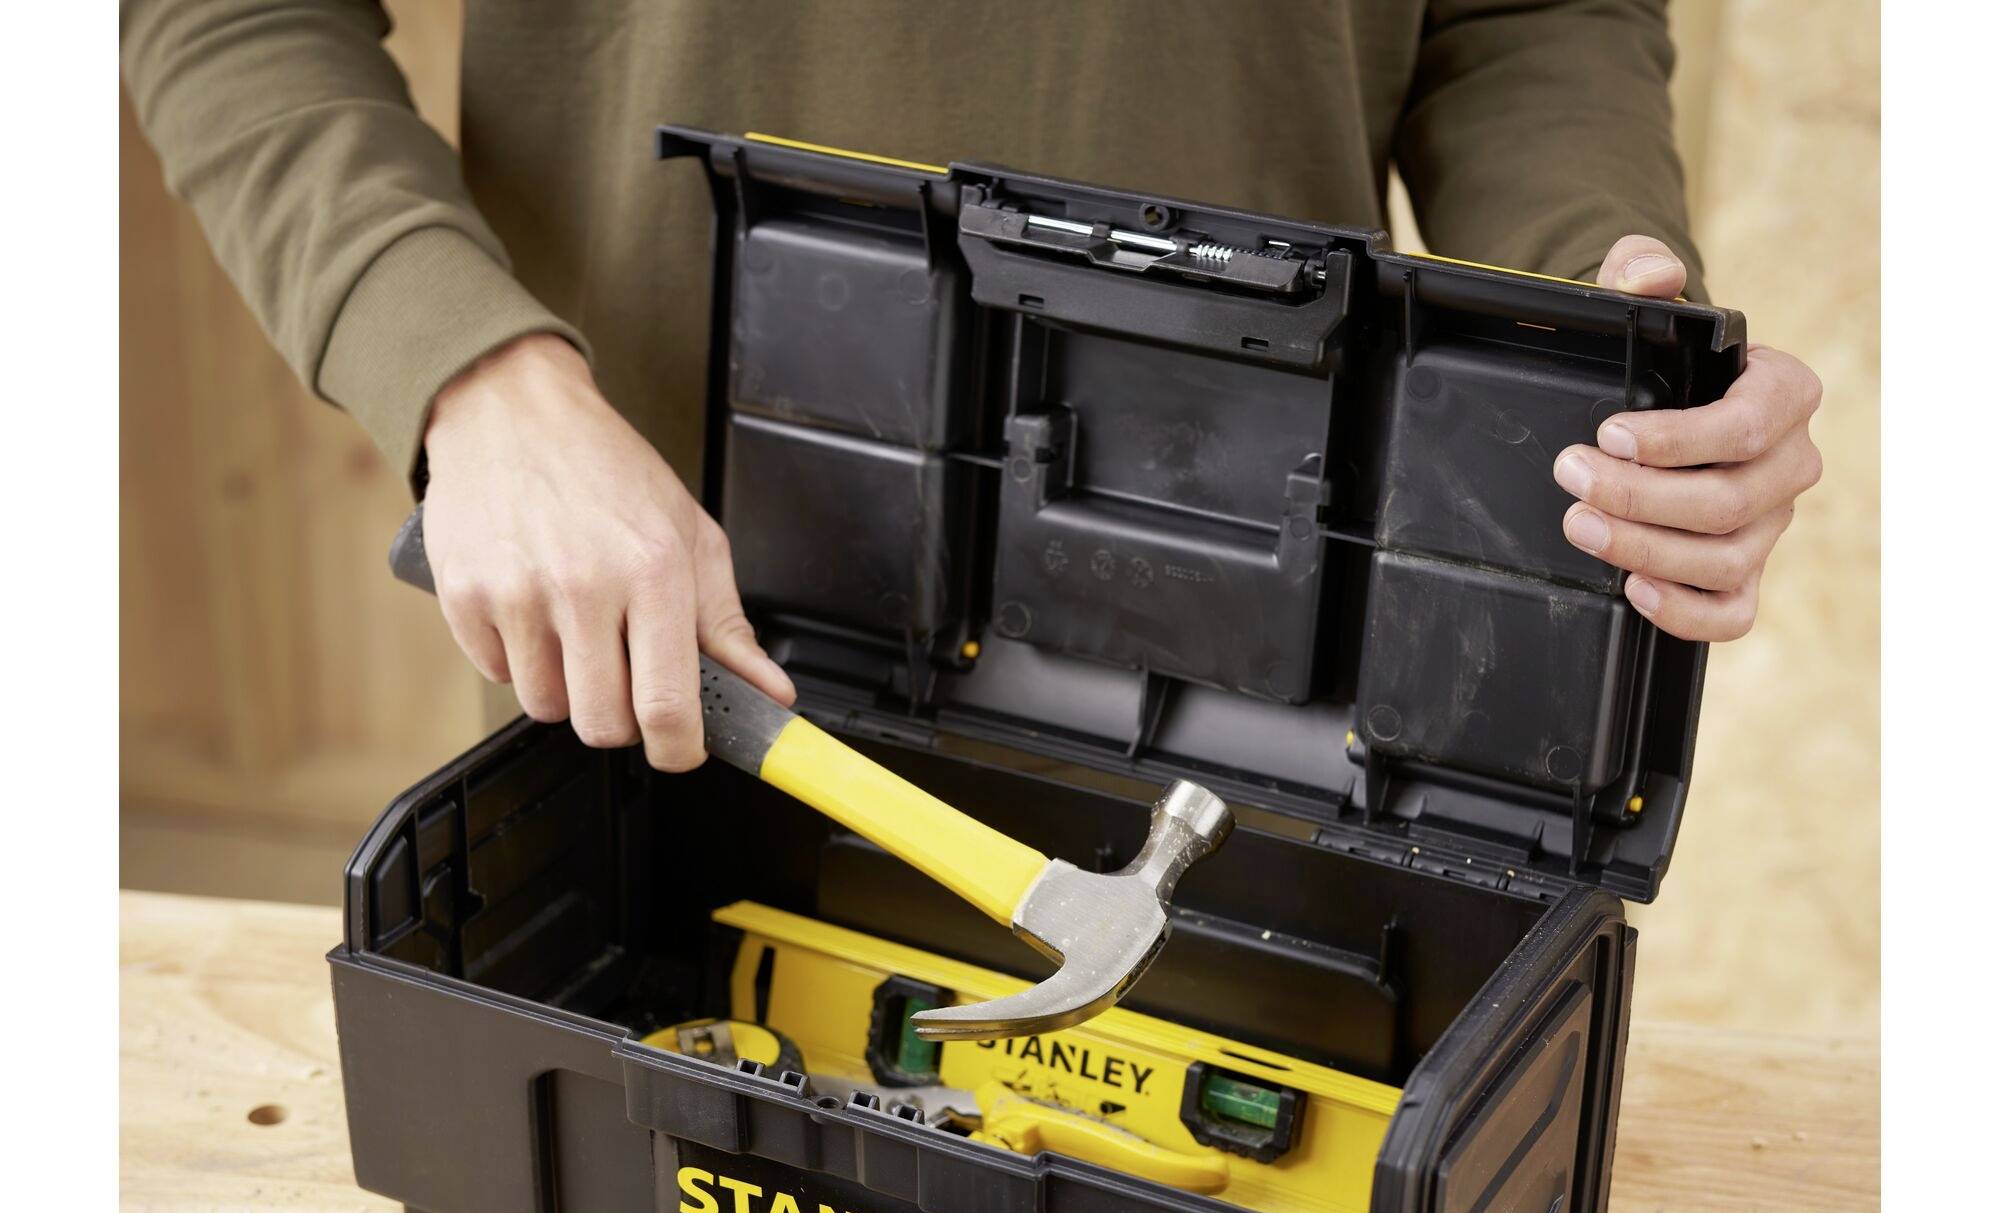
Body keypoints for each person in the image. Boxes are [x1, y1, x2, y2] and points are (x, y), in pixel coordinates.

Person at [122, 0, 1821, 775]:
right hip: (668, 647)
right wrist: (470, 377)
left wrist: (1604, 327)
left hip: (1242, 698)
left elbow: (1529, 20)